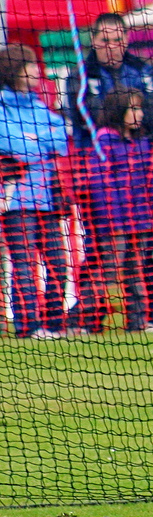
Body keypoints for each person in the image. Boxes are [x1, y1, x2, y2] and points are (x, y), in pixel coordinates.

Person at [76, 89, 153, 333]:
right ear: (119, 112)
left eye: (140, 108)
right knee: (103, 271)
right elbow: (98, 184)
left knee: (136, 271)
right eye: (133, 109)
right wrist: (112, 220)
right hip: (112, 223)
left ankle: (138, 321)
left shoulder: (144, 142)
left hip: (142, 220)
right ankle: (89, 322)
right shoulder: (104, 141)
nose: (139, 114)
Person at [0, 45, 71, 339]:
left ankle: (54, 325)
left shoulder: (39, 105)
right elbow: (18, 148)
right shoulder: (3, 106)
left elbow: (63, 137)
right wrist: (42, 140)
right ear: (15, 69)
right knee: (25, 265)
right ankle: (28, 327)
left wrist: (37, 138)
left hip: (48, 199)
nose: (36, 71)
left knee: (58, 263)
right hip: (17, 201)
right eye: (30, 65)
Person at [65, 13, 153, 148]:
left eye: (117, 40)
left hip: (145, 149)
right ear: (93, 40)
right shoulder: (79, 78)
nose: (112, 47)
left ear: (126, 39)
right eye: (105, 41)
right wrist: (128, 119)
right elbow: (89, 117)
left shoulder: (145, 71)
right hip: (99, 152)